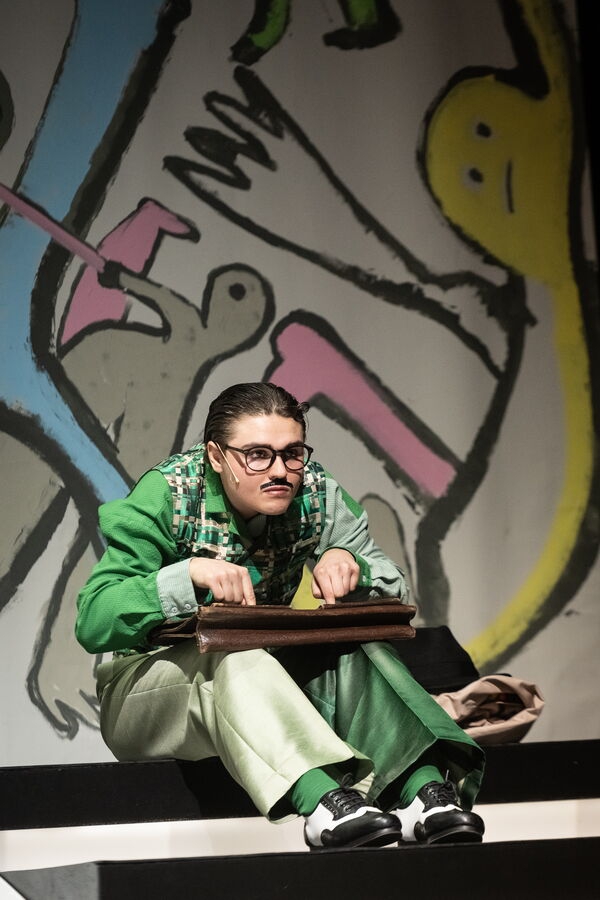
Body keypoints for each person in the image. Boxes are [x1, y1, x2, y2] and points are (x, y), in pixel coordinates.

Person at [76, 381, 485, 850]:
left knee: (353, 647)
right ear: (215, 456)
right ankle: (324, 803)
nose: (279, 471)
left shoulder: (314, 492)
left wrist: (352, 564)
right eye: (257, 455)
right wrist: (186, 575)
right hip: (147, 696)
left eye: (292, 453)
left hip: (265, 686)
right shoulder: (170, 493)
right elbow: (94, 617)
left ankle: (423, 793)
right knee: (230, 655)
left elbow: (396, 587)